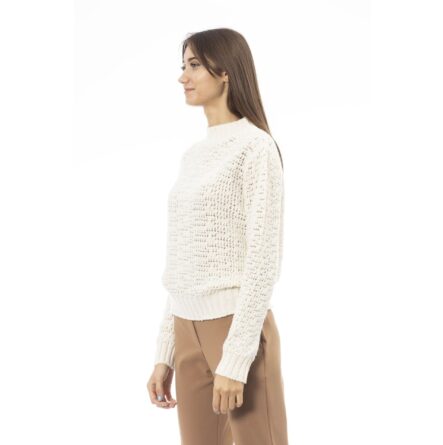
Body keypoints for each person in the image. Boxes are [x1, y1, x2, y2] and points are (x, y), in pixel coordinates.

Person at [146, 27, 289, 445]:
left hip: (235, 325)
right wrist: (165, 352)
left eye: (194, 65)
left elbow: (263, 257)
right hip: (185, 328)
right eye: (183, 66)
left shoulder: (255, 147)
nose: (183, 77)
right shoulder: (192, 156)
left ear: (224, 71)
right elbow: (184, 261)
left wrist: (237, 355)